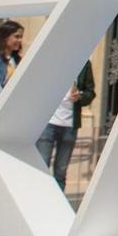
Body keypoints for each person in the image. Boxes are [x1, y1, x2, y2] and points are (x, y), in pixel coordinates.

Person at [35, 59, 95, 191]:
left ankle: (57, 207)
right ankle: (37, 202)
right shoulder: (54, 59)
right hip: (48, 122)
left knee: (61, 172)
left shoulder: (84, 63)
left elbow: (90, 93)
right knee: (41, 167)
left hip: (69, 125)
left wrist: (80, 96)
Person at [0, 20, 25, 85]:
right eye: (16, 36)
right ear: (5, 37)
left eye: (21, 37)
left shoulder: (18, 59)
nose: (20, 40)